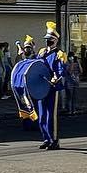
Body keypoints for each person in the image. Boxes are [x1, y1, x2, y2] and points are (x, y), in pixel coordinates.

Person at [36, 22, 66, 150]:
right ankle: (46, 138)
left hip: (53, 88)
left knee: (50, 115)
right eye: (47, 39)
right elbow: (36, 67)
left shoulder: (59, 54)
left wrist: (56, 78)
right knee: (41, 114)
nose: (48, 42)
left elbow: (61, 71)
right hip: (42, 87)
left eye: (50, 40)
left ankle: (54, 139)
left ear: (55, 40)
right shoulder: (42, 52)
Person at [9, 36, 44, 142]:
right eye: (26, 47)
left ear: (33, 47)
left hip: (34, 87)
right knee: (25, 105)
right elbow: (17, 67)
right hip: (23, 87)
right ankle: (27, 125)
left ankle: (37, 124)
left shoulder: (37, 59)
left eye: (29, 47)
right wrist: (19, 56)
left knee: (35, 106)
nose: (27, 49)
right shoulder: (21, 59)